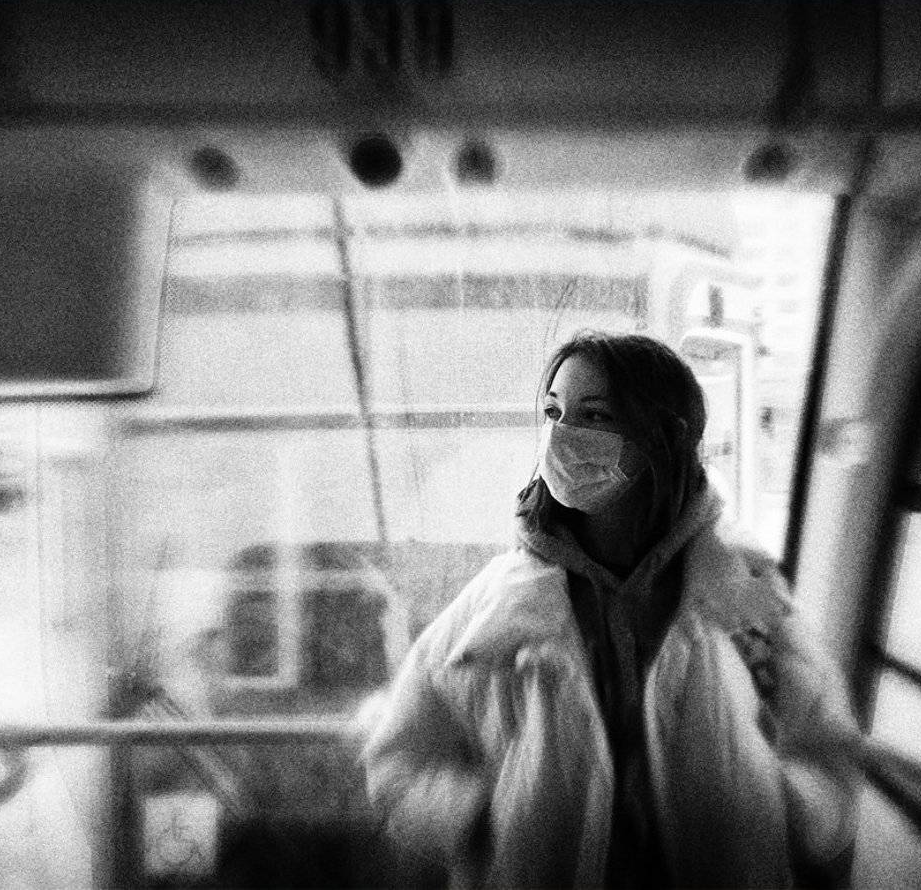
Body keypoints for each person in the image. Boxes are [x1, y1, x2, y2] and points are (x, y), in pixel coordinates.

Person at [360, 331, 859, 889]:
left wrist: (777, 814)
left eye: (594, 415)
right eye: (552, 411)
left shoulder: (743, 592)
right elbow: (400, 756)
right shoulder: (496, 606)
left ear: (665, 436)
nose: (560, 434)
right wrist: (482, 821)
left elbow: (828, 749)